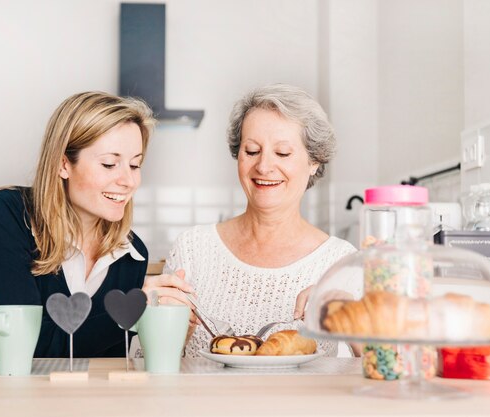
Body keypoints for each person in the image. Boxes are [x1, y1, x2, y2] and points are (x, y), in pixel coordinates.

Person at [143, 84, 356, 357]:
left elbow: (378, 366)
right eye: (252, 150)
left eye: (282, 153)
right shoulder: (193, 249)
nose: (264, 166)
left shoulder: (340, 263)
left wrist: (348, 316)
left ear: (314, 161)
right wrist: (168, 335)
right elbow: (150, 363)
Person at [0, 91, 156, 357]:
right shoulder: (7, 214)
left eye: (135, 165)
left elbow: (106, 364)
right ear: (64, 164)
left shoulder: (132, 253)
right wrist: (133, 312)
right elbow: (28, 343)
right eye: (109, 164)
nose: (128, 181)